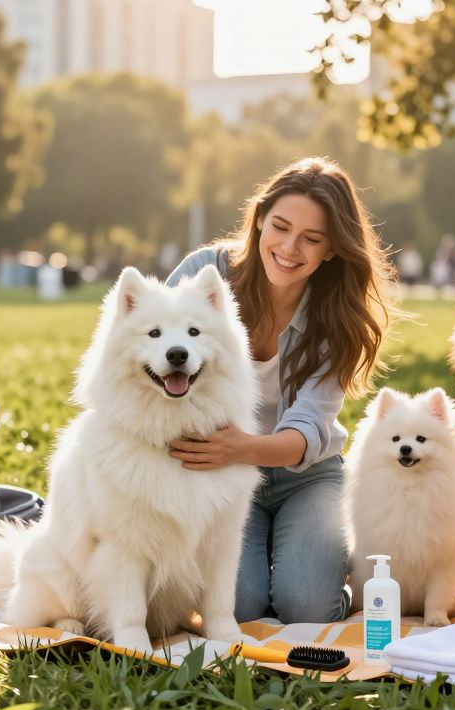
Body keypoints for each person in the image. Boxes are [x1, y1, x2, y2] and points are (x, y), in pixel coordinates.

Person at [165, 157, 395, 624]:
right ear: (259, 220)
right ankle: (280, 551)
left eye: (311, 239)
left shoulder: (337, 317)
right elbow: (149, 343)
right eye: (281, 227)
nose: (290, 248)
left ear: (332, 249)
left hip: (305, 475)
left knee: (306, 607)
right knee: (242, 607)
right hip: (220, 477)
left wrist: (241, 448)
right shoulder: (207, 273)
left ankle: (330, 563)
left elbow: (309, 428)